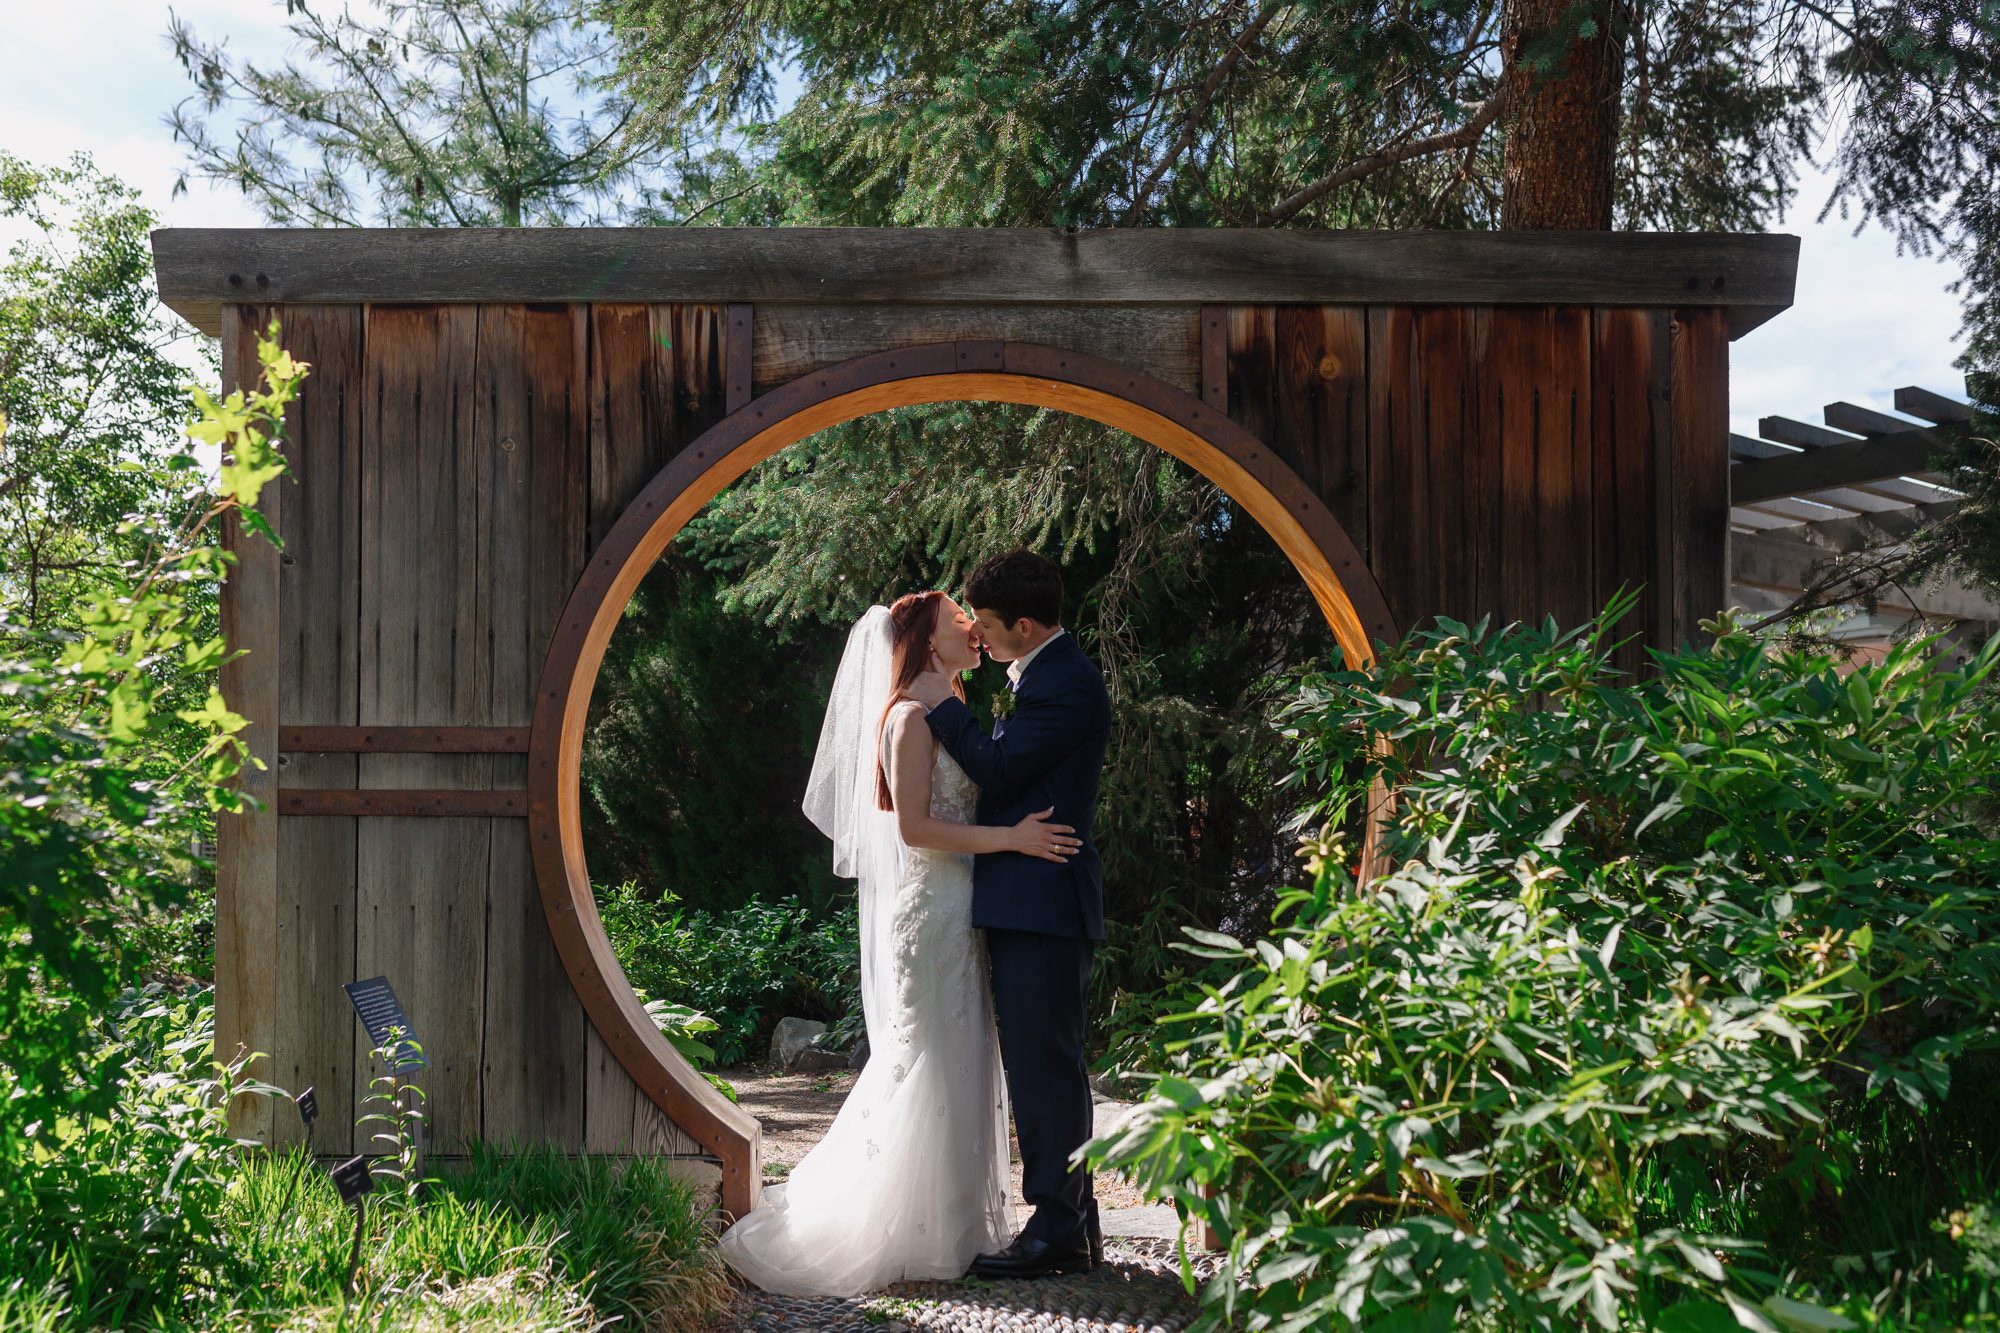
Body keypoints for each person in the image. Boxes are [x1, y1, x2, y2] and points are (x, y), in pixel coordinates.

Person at [715, 590, 1082, 1297]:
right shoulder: (910, 719)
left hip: (958, 913)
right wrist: (1012, 837)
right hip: (933, 914)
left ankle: (953, 1225)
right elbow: (915, 827)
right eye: (958, 623)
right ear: (924, 640)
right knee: (930, 1063)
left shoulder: (945, 712)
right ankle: (908, 1227)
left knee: (961, 1062)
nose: (972, 630)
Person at [906, 549, 1113, 1280]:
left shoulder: (1063, 685)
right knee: (1047, 1066)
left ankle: (1057, 1228)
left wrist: (943, 704)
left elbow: (996, 770)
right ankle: (1075, 1222)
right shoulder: (1047, 677)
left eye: (988, 625)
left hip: (1043, 900)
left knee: (1043, 1069)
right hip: (1033, 897)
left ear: (1022, 625)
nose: (980, 636)